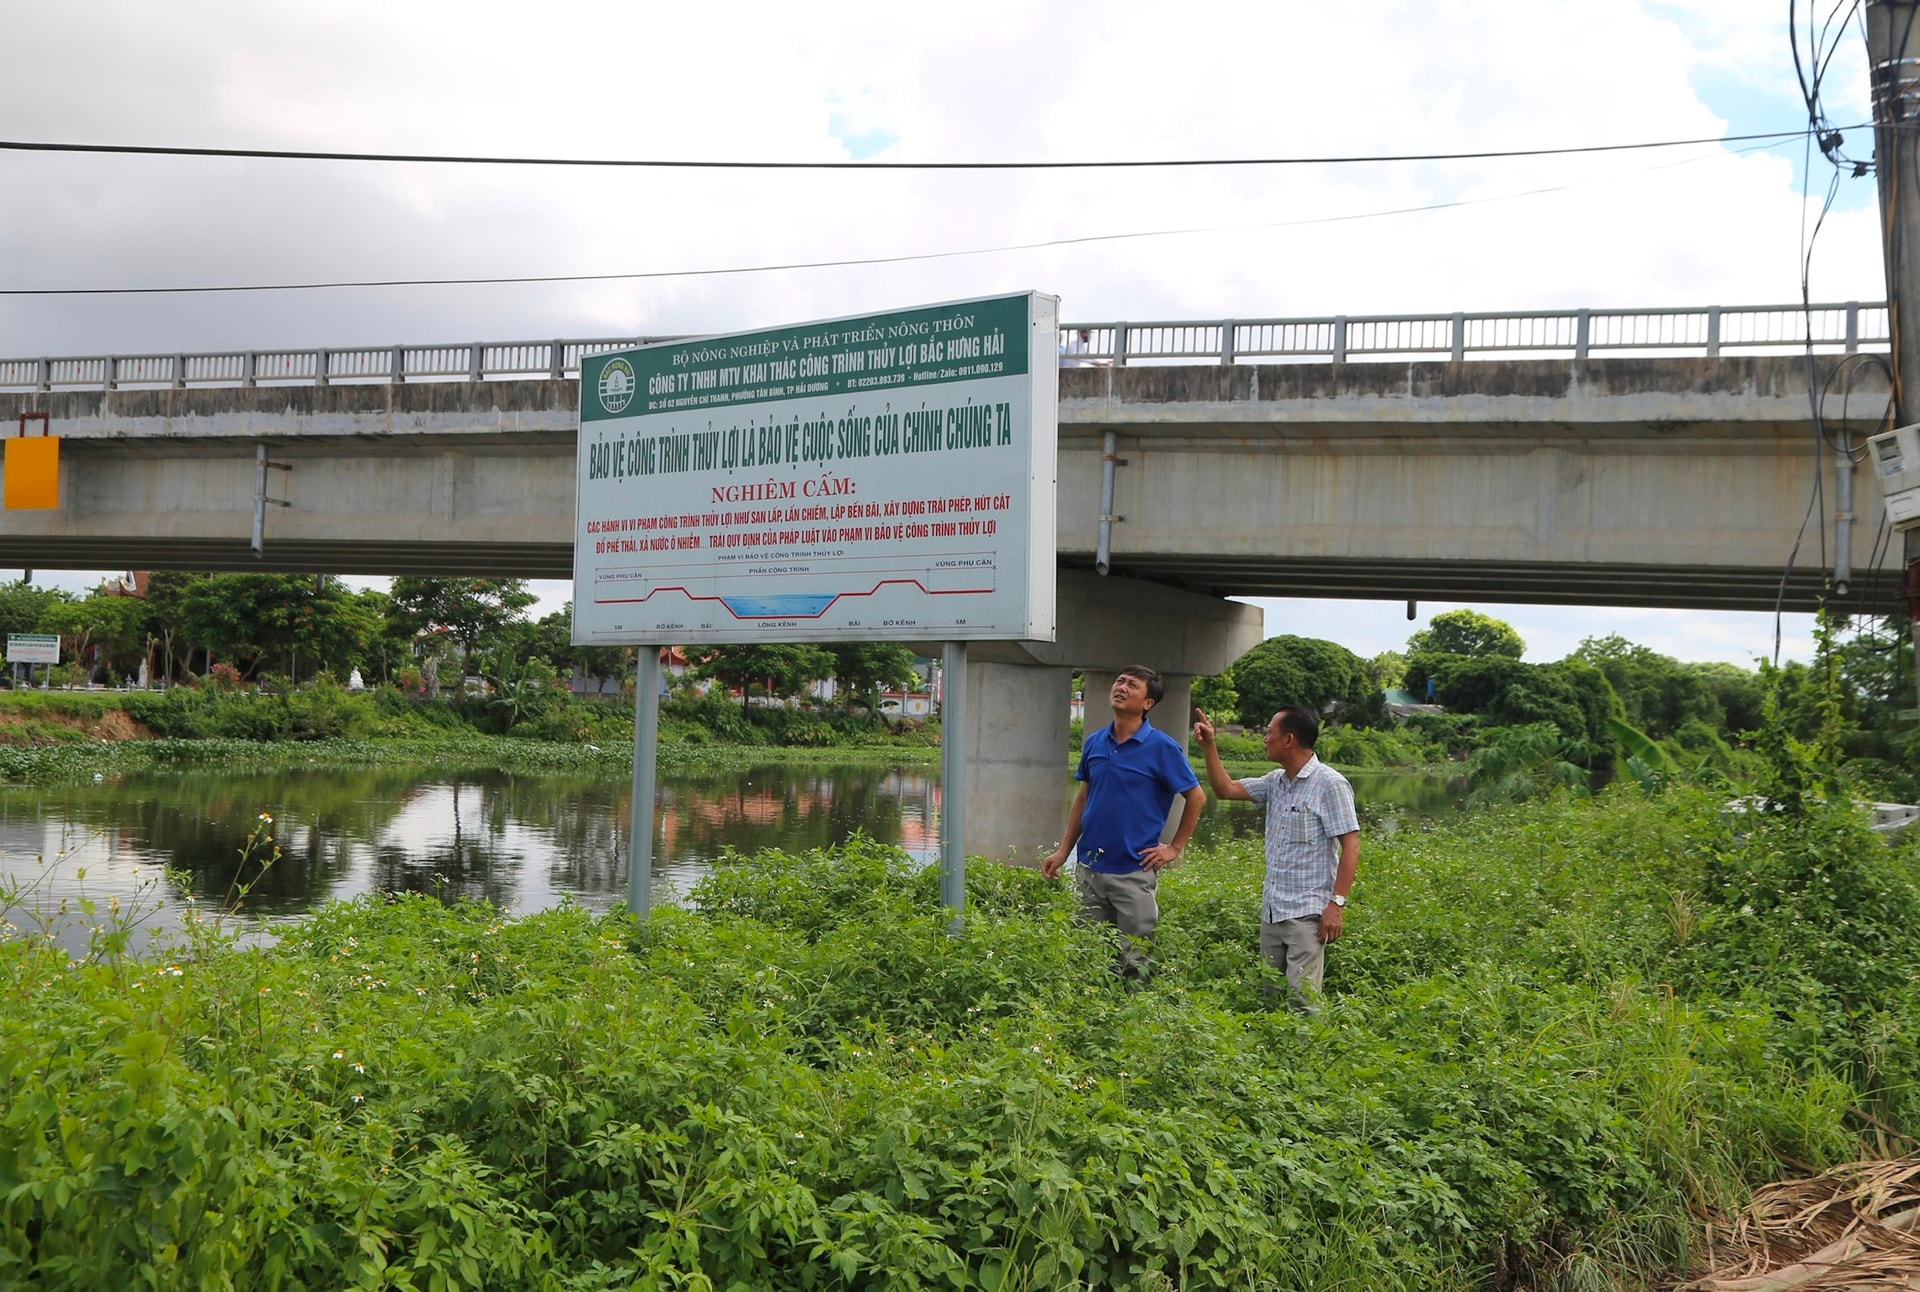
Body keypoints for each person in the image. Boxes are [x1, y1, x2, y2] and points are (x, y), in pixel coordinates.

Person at [1042, 665, 1206, 981]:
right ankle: (1090, 1016)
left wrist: (1174, 848)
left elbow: (1196, 797)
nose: (1121, 687)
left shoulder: (1161, 747)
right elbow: (1084, 798)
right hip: (1090, 867)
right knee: (1087, 954)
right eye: (1120, 681)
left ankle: (1134, 1020)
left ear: (1148, 703)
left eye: (1132, 685)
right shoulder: (1094, 743)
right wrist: (1064, 850)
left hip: (1134, 871)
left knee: (1136, 960)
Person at [1193, 705, 1359, 1012]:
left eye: (1269, 731)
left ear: (1289, 739)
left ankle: (1307, 1057)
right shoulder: (1275, 782)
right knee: (1271, 997)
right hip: (1272, 911)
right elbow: (1225, 789)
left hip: (1307, 913)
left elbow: (1351, 846)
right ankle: (1274, 1057)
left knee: (1303, 1001)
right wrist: (1209, 747)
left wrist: (1336, 905)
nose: (1264, 737)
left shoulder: (1330, 784)